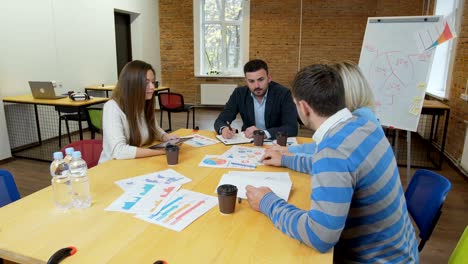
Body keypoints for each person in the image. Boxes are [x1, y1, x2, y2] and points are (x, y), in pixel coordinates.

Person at [246, 64, 419, 263]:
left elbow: (319, 237)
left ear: (303, 107)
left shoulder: (333, 152)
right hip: (402, 251)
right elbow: (337, 169)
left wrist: (268, 202)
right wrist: (285, 159)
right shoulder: (364, 122)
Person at [267, 61, 380, 174]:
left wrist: (286, 159)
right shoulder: (360, 117)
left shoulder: (357, 123)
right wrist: (289, 150)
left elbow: (326, 163)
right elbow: (320, 148)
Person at [99, 60, 178, 163]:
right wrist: (161, 151)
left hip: (133, 163)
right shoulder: (112, 107)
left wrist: (166, 137)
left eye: (153, 82)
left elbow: (154, 128)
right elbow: (119, 151)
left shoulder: (143, 102)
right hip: (112, 168)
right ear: (132, 84)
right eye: (146, 82)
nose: (152, 87)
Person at [213, 59, 298, 139]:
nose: (257, 85)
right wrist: (223, 129)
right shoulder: (239, 94)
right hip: (248, 142)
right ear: (246, 81)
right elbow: (221, 120)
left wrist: (263, 133)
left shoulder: (283, 94)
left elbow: (292, 128)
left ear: (269, 78)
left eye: (261, 80)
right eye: (251, 81)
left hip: (274, 141)